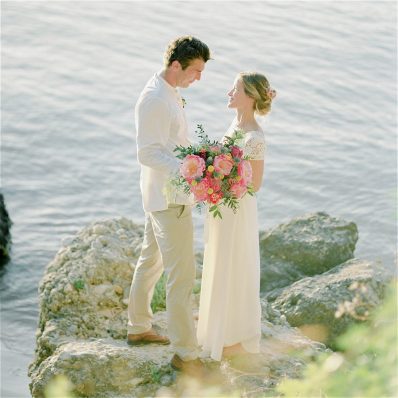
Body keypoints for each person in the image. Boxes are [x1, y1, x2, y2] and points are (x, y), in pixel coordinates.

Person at [127, 36, 211, 375]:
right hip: (169, 197)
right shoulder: (156, 100)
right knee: (182, 277)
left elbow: (172, 142)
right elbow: (147, 152)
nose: (199, 78)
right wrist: (191, 168)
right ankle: (186, 354)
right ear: (176, 65)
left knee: (151, 261)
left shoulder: (167, 92)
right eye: (195, 70)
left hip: (161, 194)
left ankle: (138, 327)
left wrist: (196, 153)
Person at [197, 72, 276, 363]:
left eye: (235, 89)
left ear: (251, 97)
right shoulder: (237, 124)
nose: (229, 92)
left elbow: (254, 184)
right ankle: (220, 328)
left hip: (238, 208)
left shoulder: (255, 136)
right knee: (220, 262)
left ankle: (237, 334)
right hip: (223, 205)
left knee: (236, 264)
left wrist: (221, 182)